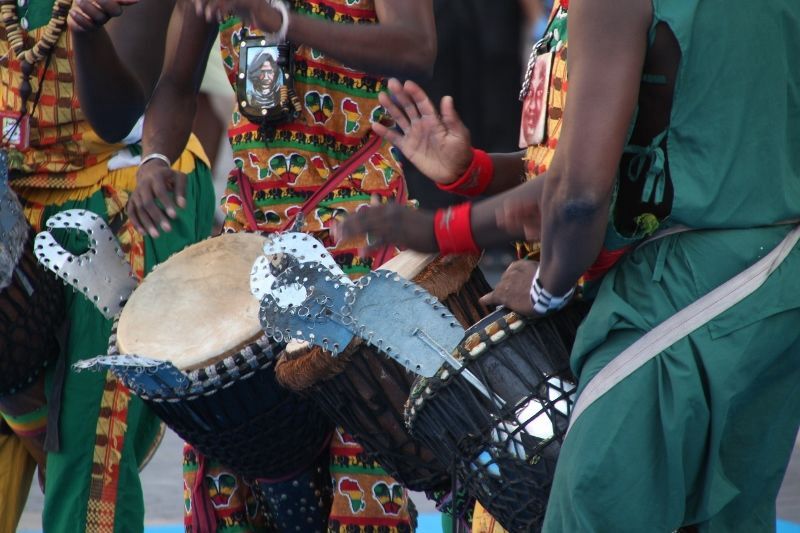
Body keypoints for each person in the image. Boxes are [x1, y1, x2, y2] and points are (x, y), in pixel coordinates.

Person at [337, 0, 800, 530]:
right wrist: (473, 172)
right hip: (770, 290)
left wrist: (542, 283)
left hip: (678, 296)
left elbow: (580, 195)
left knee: (590, 509)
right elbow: (647, 154)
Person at [131, 0, 436, 530]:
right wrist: (156, 158)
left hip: (357, 230)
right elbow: (177, 84)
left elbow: (416, 45)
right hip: (248, 246)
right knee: (240, 458)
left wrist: (286, 23)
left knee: (359, 456)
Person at [0, 0, 216, 529]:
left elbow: (122, 115)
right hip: (16, 191)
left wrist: (83, 29)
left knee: (87, 434)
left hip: (126, 186)